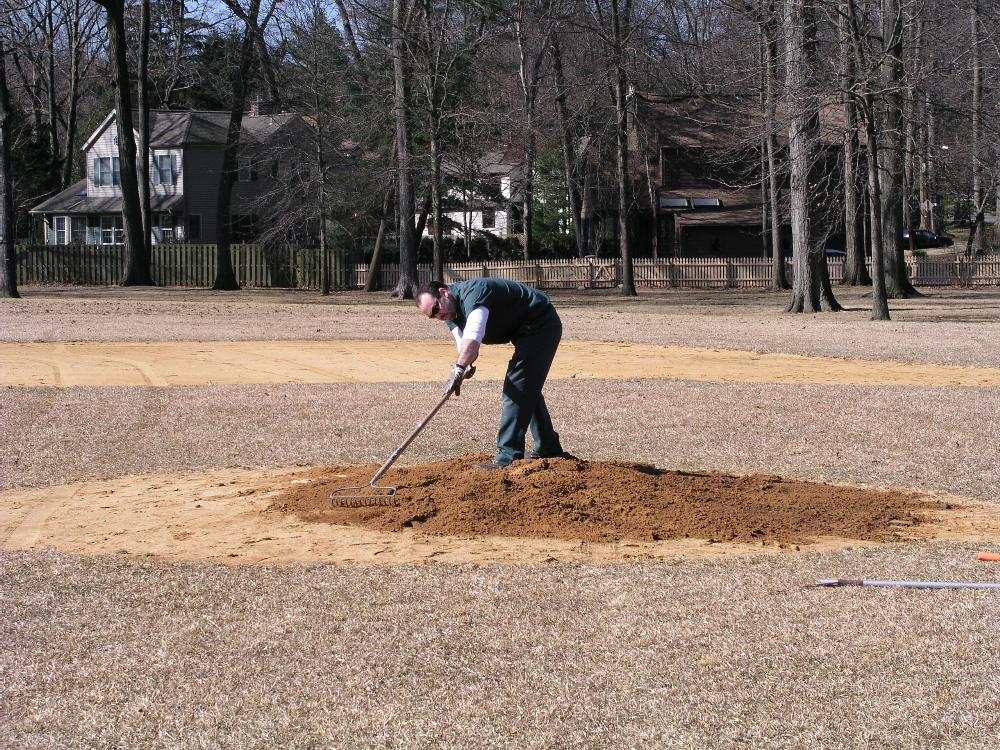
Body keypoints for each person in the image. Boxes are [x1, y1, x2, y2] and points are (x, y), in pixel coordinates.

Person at [416, 277, 566, 470]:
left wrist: (458, 368)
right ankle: (548, 446)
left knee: (517, 387)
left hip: (540, 324)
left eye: (436, 309)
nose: (438, 316)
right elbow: (464, 345)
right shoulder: (450, 314)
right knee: (526, 386)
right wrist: (464, 368)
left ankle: (508, 457)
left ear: (444, 293)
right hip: (523, 331)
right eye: (432, 316)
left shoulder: (474, 294)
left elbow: (474, 334)